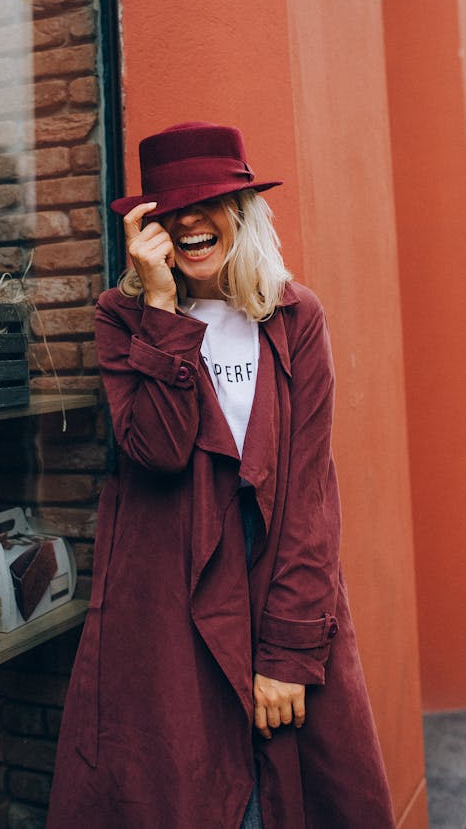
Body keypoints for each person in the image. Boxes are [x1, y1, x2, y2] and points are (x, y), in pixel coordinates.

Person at [47, 122, 396, 829]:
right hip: (170, 605)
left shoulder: (296, 315)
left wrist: (291, 652)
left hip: (278, 576)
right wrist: (162, 309)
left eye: (208, 202)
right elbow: (159, 449)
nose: (190, 223)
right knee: (189, 795)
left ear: (242, 211)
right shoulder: (123, 318)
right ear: (149, 227)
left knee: (290, 794)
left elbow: (307, 492)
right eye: (170, 211)